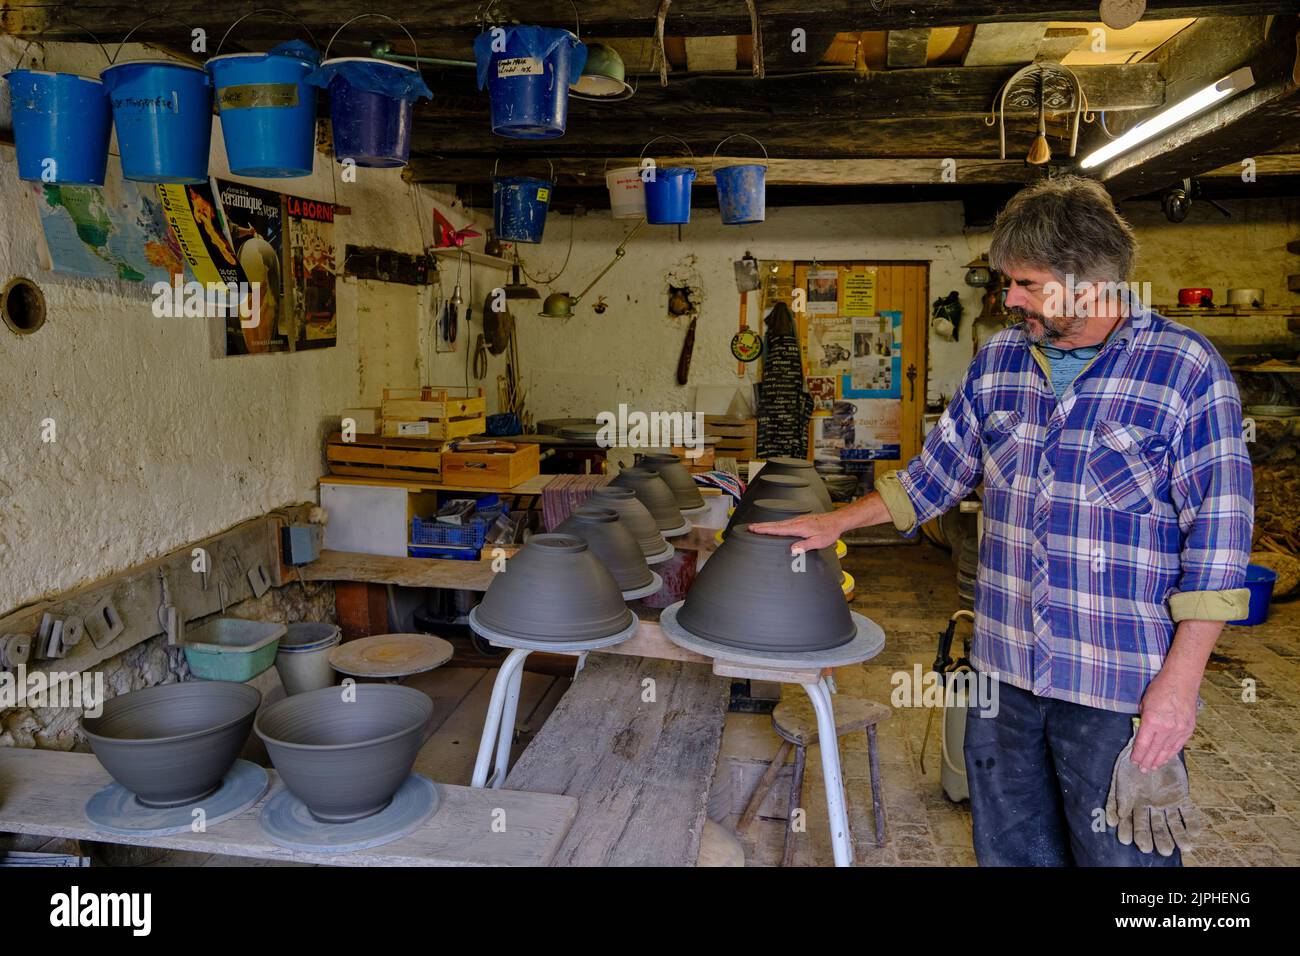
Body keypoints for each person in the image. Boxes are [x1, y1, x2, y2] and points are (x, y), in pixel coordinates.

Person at [751, 176, 1254, 866]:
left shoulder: (1186, 372)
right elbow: (934, 478)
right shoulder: (998, 365)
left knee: (1122, 864)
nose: (1009, 299)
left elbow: (1220, 547)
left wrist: (1180, 687)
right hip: (1002, 676)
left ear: (1087, 281)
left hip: (1115, 690)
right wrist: (834, 522)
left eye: (1026, 284)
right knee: (1011, 853)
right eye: (1007, 282)